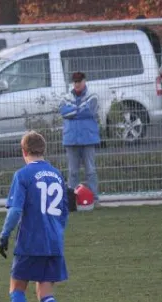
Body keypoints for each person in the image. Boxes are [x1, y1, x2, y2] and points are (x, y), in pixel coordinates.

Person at [0, 131, 69, 302]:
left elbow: (15, 211)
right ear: (44, 150)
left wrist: (4, 235)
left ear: (23, 151)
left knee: (17, 287)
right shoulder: (57, 175)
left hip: (31, 241)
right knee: (45, 291)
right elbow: (65, 213)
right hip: (54, 242)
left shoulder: (23, 175)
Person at [60, 71, 100, 203]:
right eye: (75, 81)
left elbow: (90, 110)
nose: (77, 84)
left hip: (88, 139)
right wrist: (79, 110)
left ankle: (94, 199)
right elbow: (64, 112)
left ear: (84, 81)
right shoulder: (66, 97)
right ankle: (72, 201)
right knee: (73, 172)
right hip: (71, 140)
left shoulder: (92, 96)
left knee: (91, 171)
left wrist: (73, 111)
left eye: (79, 81)